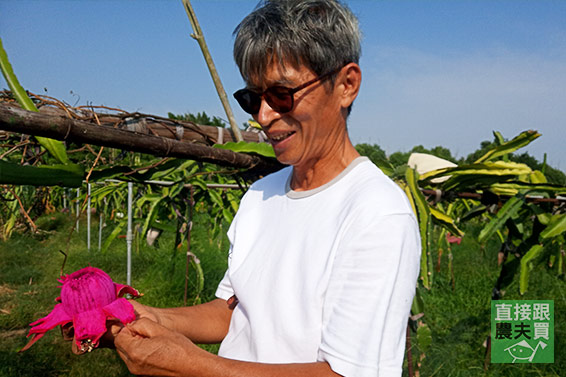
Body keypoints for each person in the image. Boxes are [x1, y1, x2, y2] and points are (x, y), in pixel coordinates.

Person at [109, 1, 421, 376]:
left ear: (345, 85)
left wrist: (192, 365)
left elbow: (347, 372)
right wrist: (153, 317)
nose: (263, 116)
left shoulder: (376, 212)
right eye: (252, 98)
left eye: (281, 94)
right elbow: (234, 310)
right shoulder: (261, 196)